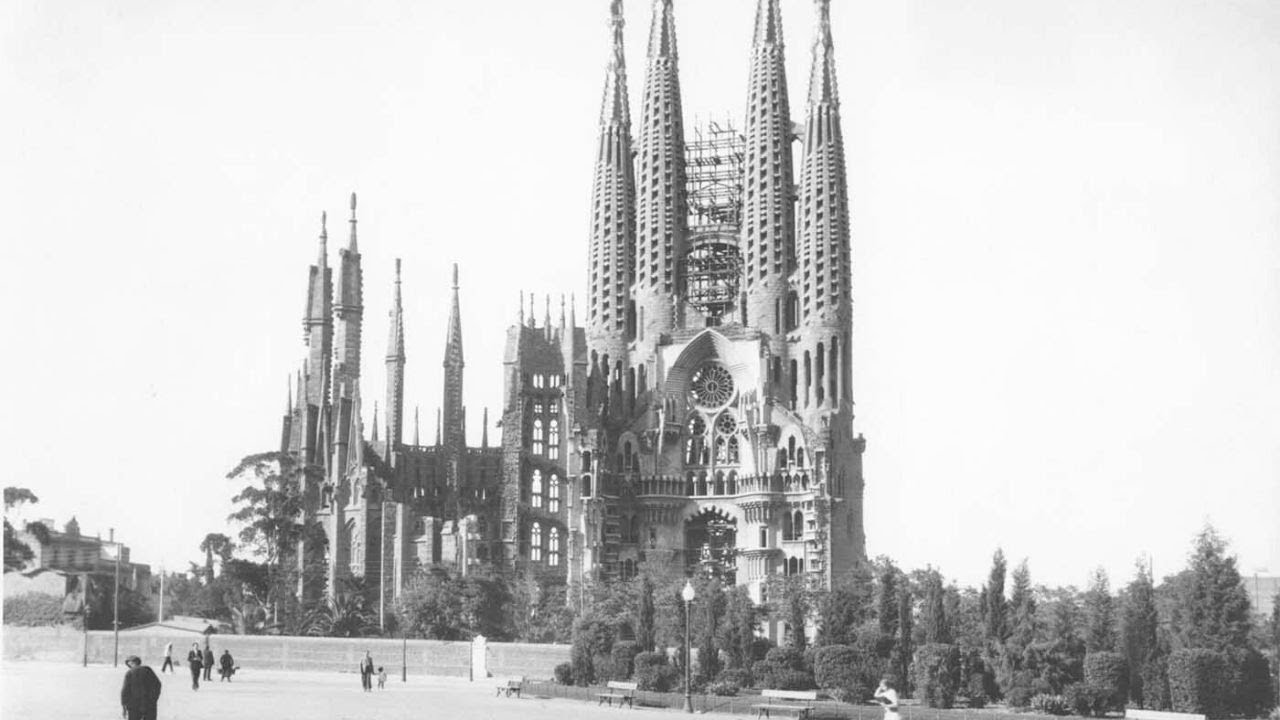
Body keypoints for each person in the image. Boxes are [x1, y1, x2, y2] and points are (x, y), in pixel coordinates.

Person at [120, 655, 162, 720]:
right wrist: (153, 699)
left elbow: (125, 691)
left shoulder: (129, 673)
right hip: (149, 704)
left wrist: (124, 706)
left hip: (134, 706)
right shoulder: (148, 670)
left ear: (131, 663)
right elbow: (157, 685)